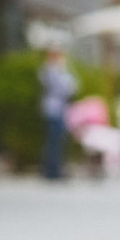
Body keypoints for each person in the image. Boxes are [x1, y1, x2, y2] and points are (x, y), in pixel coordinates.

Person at [38, 47, 77, 180]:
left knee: (57, 141)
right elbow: (64, 87)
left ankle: (55, 169)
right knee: (54, 142)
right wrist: (63, 70)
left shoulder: (55, 70)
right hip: (54, 110)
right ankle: (52, 171)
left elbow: (72, 86)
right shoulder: (50, 70)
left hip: (59, 109)